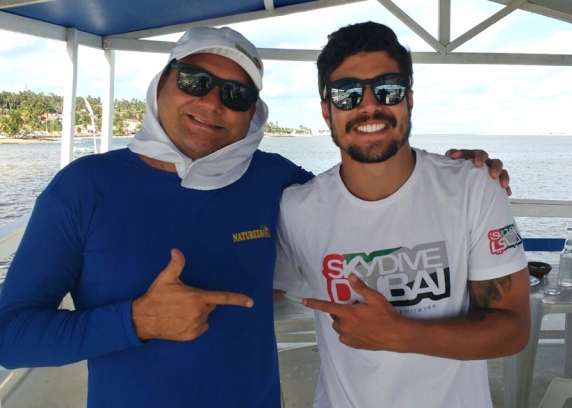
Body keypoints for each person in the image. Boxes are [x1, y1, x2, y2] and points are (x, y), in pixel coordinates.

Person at [0, 26, 509, 408]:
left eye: (236, 94)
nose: (212, 102)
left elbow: (365, 188)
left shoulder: (274, 181)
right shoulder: (83, 188)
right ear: (161, 84)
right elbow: (11, 335)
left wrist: (466, 171)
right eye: (195, 80)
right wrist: (134, 320)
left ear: (252, 113)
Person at [273, 22, 530, 408]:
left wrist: (401, 334)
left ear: (409, 98)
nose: (368, 105)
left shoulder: (472, 188)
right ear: (326, 111)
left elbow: (513, 328)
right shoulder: (296, 209)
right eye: (346, 94)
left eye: (387, 88)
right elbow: (253, 291)